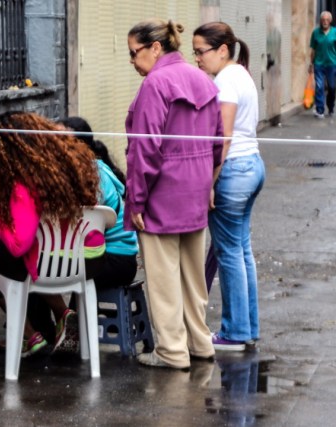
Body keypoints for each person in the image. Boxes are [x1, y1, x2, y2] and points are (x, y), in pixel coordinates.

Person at [125, 19, 223, 370]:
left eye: (134, 53)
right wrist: (209, 183)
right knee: (194, 276)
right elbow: (217, 141)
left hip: (162, 191)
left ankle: (171, 351)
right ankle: (199, 343)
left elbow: (145, 149)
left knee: (164, 278)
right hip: (195, 188)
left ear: (155, 47)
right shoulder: (202, 79)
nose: (133, 62)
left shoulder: (156, 83)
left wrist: (136, 198)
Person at [0, 111, 103, 357]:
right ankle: (61, 315)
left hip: (56, 264)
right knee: (26, 251)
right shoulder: (64, 168)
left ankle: (31, 335)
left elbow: (19, 244)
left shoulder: (23, 184)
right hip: (91, 260)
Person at [25, 117, 140, 349]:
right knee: (37, 260)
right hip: (97, 254)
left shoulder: (91, 174)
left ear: (79, 147)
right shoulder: (73, 171)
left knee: (32, 264)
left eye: (60, 141)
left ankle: (60, 325)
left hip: (113, 259)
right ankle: (56, 331)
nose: (52, 147)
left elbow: (83, 221)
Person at [193, 22, 266, 351]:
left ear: (222, 50)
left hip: (234, 170)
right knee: (241, 251)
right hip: (252, 166)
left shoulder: (225, 81)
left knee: (230, 254)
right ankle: (247, 328)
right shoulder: (242, 75)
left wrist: (210, 182)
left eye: (200, 51)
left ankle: (235, 333)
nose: (196, 58)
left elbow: (222, 137)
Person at [309, 11, 336, 119]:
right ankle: (320, 110)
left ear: (330, 21)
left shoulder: (335, 32)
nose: (325, 22)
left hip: (332, 64)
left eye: (327, 20)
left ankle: (331, 107)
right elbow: (313, 50)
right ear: (320, 21)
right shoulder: (315, 33)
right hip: (318, 64)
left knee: (332, 87)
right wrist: (311, 64)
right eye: (323, 20)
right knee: (319, 87)